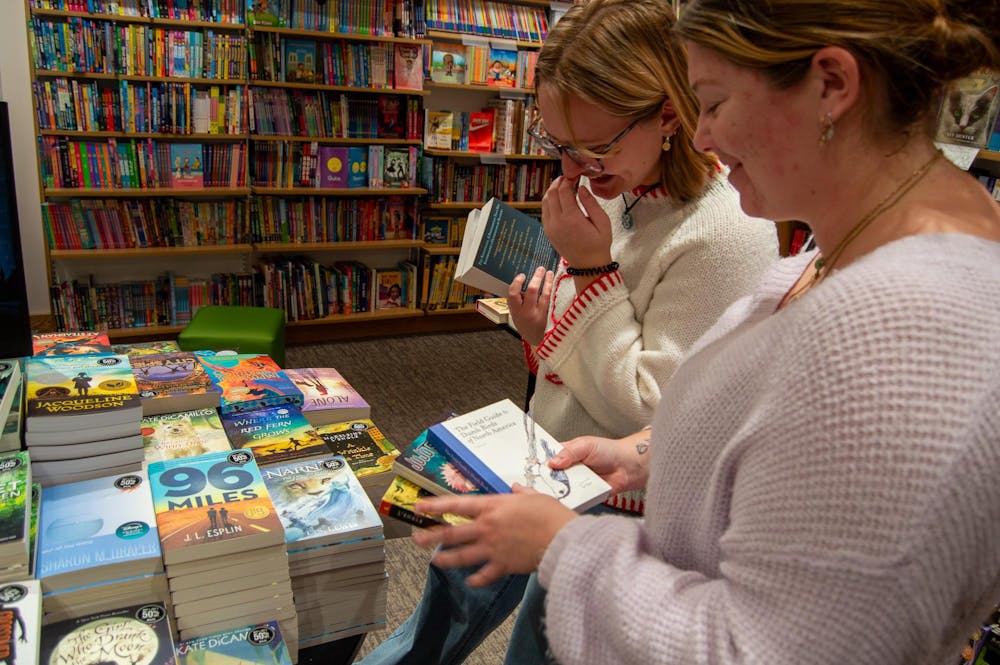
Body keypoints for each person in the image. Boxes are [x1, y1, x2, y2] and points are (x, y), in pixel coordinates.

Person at [410, 1, 1000, 664]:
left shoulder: (904, 334)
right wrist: (649, 453)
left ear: (832, 85)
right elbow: (773, 428)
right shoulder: (863, 242)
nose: (702, 137)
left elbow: (766, 649)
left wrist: (563, 546)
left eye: (713, 103)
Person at [357, 1, 777, 663]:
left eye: (595, 147)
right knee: (449, 581)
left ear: (668, 113)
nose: (575, 170)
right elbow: (580, 341)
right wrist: (536, 330)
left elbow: (654, 413)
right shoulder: (622, 180)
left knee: (539, 643)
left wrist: (589, 268)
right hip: (547, 448)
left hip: (624, 503)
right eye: (558, 146)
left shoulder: (727, 233)